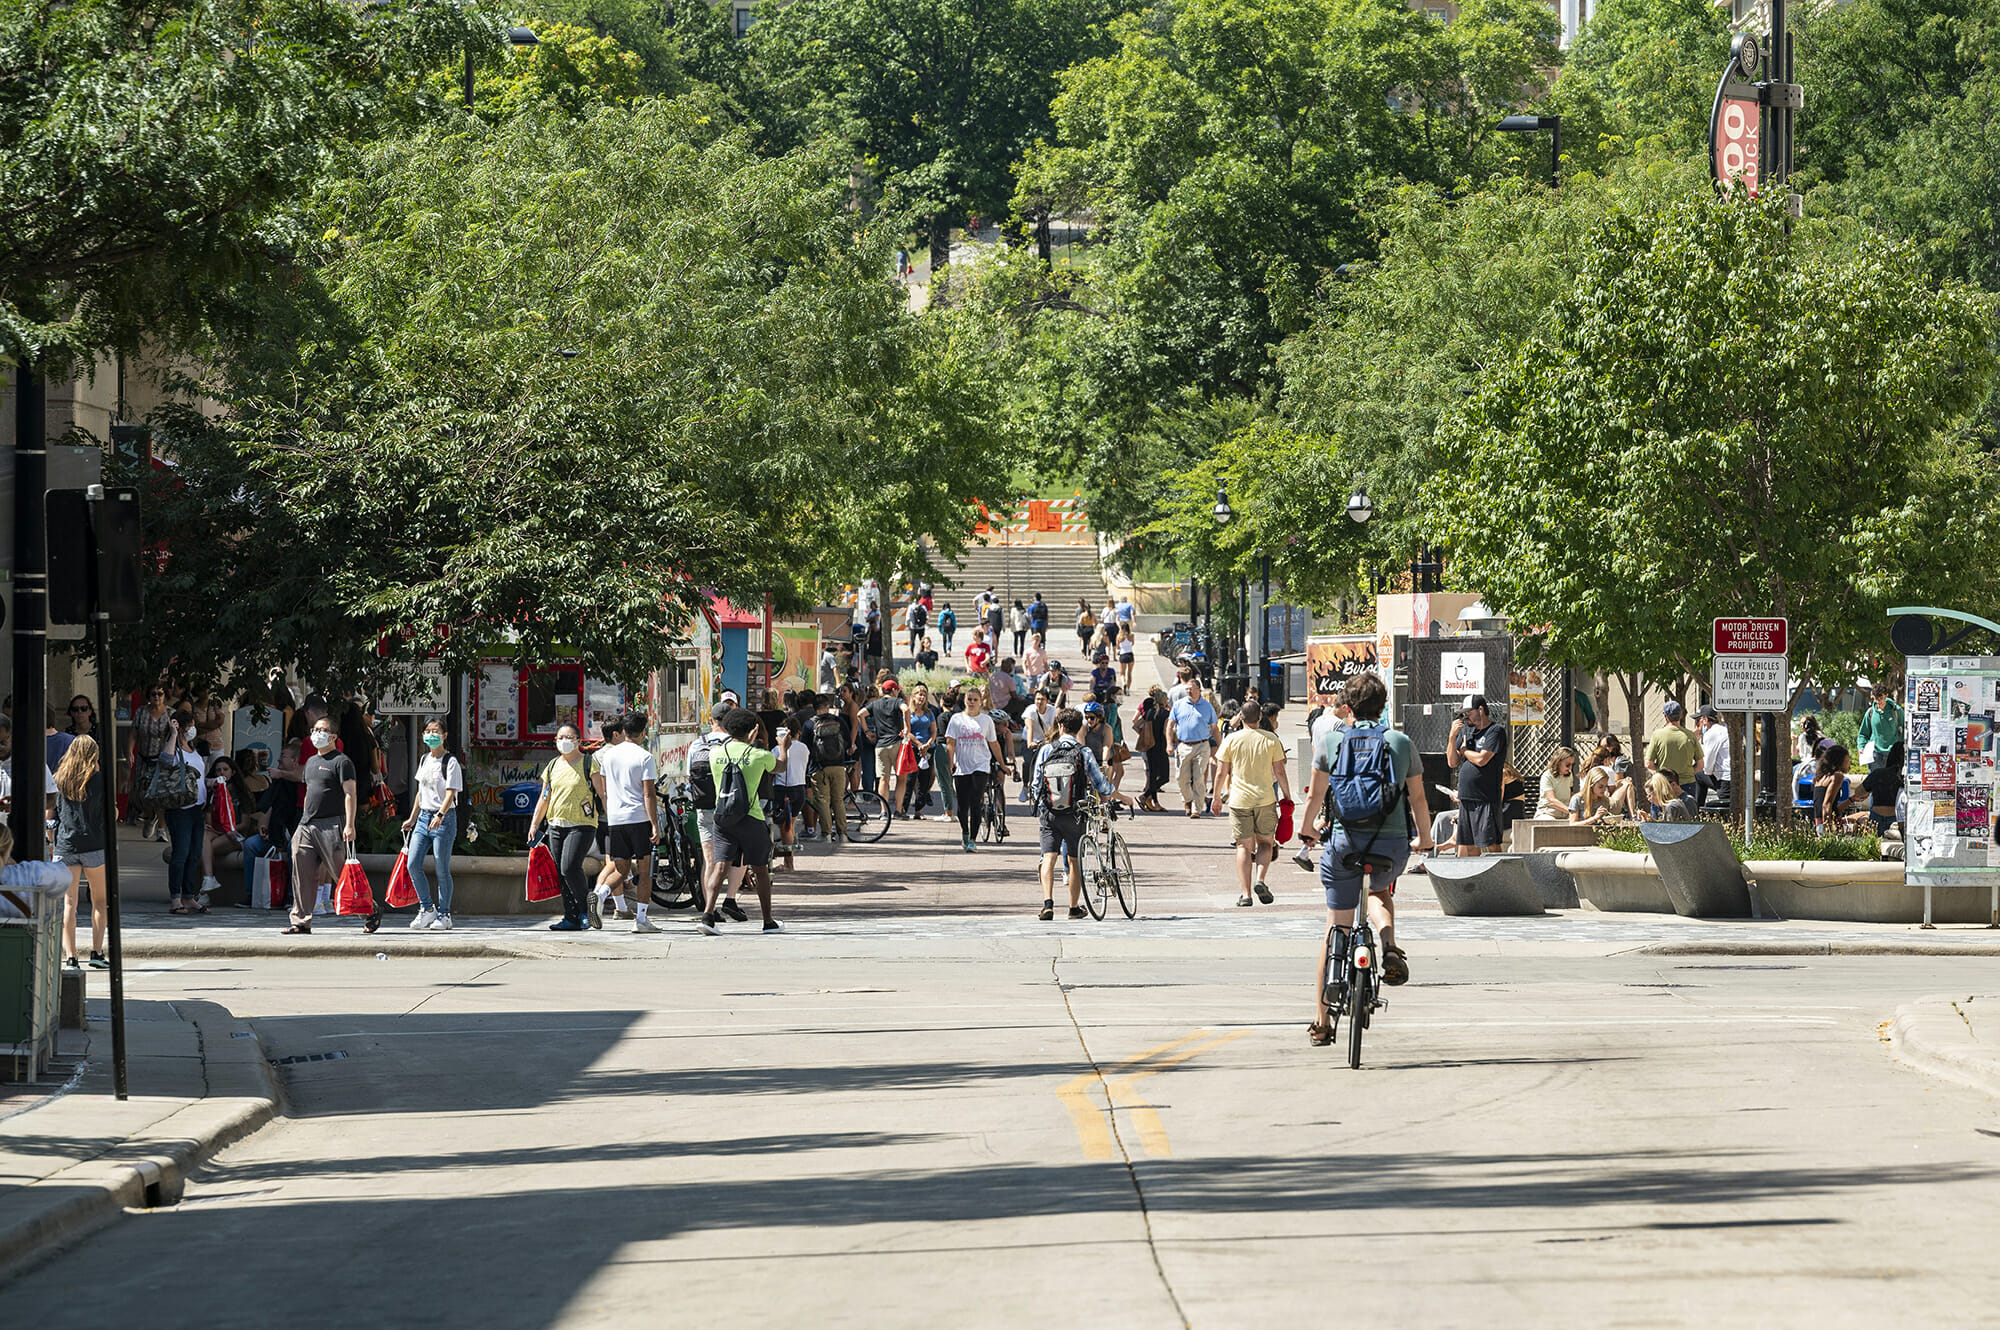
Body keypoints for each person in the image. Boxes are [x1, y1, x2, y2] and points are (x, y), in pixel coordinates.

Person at [1303, 671, 1432, 1045]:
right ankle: (1389, 945)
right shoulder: (1400, 741)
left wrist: (1308, 829)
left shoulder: (1331, 741)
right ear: (1384, 705)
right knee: (1379, 892)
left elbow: (1314, 796)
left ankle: (1322, 1022)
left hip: (1345, 844)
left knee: (1335, 928)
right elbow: (1419, 799)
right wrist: (1424, 838)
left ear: (1347, 707)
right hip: (1391, 845)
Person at [1030, 708, 1129, 920]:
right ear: (1077, 729)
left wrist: (1042, 807)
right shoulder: (1083, 752)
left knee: (1049, 857)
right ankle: (1073, 908)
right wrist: (1121, 797)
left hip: (1049, 812)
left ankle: (1048, 904)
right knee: (1074, 860)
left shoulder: (1046, 750)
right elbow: (1101, 785)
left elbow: (1036, 784)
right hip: (1075, 813)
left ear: (1060, 727)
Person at [696, 708, 784, 935]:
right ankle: (768, 921)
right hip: (751, 818)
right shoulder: (758, 755)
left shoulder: (716, 753)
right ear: (753, 730)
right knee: (760, 869)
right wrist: (783, 747)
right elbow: (780, 766)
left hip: (723, 818)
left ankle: (708, 915)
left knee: (720, 866)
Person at [1211, 700, 1292, 906]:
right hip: (1265, 798)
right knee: (1266, 843)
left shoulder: (1231, 739)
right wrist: (1287, 795)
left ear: (1242, 718)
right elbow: (1280, 771)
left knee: (1243, 846)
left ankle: (1246, 895)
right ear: (1260, 717)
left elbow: (1221, 771)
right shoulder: (1271, 739)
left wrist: (1216, 796)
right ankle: (1260, 879)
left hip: (1239, 800)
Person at [591, 711, 662, 934]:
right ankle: (641, 919)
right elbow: (648, 794)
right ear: (643, 732)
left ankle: (600, 894)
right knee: (644, 871)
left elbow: (604, 791)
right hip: (639, 818)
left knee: (621, 869)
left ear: (623, 730)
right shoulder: (645, 757)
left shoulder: (608, 756)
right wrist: (655, 824)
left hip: (615, 820)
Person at [284, 715, 355, 935]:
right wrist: (304, 817)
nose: (316, 734)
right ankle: (301, 921)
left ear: (333, 736)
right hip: (306, 824)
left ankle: (369, 911)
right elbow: (308, 793)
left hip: (332, 824)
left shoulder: (341, 761)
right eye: (314, 729)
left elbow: (350, 793)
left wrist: (349, 825)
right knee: (302, 872)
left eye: (322, 730)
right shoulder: (312, 762)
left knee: (342, 874)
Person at [528, 723, 599, 930]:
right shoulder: (552, 766)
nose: (564, 741)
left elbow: (602, 793)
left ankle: (586, 910)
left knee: (570, 867)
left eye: (569, 737)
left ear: (578, 741)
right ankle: (571, 917)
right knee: (560, 871)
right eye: (560, 737)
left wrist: (611, 817)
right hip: (556, 825)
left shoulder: (588, 763)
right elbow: (544, 797)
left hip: (582, 824)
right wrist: (535, 823)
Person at [401, 718, 464, 931]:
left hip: (444, 820)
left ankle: (445, 914)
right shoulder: (424, 759)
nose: (430, 735)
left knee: (441, 868)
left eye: (435, 731)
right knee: (413, 863)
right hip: (423, 819)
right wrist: (412, 817)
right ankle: (427, 909)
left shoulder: (450, 762)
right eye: (427, 731)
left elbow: (450, 792)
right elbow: (421, 791)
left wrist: (440, 814)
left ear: (445, 735)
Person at [52, 736, 109, 970]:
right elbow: (110, 814)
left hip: (66, 846)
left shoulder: (60, 779)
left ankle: (71, 958)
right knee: (100, 902)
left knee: (69, 904)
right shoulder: (99, 780)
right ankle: (96, 952)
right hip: (94, 844)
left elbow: (54, 812)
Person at [157, 713, 211, 915]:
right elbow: (165, 761)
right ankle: (175, 898)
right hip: (180, 810)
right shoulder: (175, 748)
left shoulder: (195, 750)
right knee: (180, 853)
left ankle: (189, 896)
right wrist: (172, 734)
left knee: (195, 853)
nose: (192, 730)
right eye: (189, 726)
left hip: (197, 808)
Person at [946, 686, 1007, 851]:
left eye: (975, 700)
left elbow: (993, 744)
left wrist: (1002, 764)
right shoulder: (956, 719)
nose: (972, 702)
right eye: (969, 699)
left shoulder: (986, 720)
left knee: (976, 801)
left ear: (980, 702)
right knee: (963, 806)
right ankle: (965, 833)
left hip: (981, 764)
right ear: (964, 700)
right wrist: (950, 762)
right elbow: (950, 743)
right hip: (961, 766)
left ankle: (972, 839)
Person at [1445, 695, 1507, 855]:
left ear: (1480, 710)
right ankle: (1472, 878)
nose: (1465, 716)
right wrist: (1452, 738)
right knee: (1469, 844)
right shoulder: (1466, 732)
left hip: (1485, 798)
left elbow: (1482, 759)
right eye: (1463, 713)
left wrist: (1465, 751)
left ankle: (1500, 877)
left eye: (1468, 712)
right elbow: (1452, 762)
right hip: (1467, 797)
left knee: (1490, 842)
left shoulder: (1495, 731)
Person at [198, 752, 251, 899]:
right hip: (217, 831)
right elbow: (209, 820)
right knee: (203, 837)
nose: (222, 773)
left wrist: (228, 829)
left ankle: (205, 892)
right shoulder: (213, 792)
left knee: (205, 849)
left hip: (235, 834)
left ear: (233, 772)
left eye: (225, 769)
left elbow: (245, 823)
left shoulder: (240, 793)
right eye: (218, 770)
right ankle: (208, 880)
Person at [129, 683, 176, 840]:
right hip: (144, 757)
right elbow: (134, 733)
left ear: (165, 696)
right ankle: (150, 818)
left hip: (162, 760)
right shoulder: (141, 712)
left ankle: (162, 829)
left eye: (160, 694)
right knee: (143, 795)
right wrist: (130, 751)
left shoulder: (170, 713)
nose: (156, 696)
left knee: (159, 795)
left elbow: (176, 736)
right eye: (153, 694)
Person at [807, 691, 852, 847]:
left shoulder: (809, 724)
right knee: (838, 800)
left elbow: (806, 747)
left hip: (818, 768)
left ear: (814, 708)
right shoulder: (838, 721)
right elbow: (847, 741)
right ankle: (843, 834)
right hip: (839, 766)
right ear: (827, 707)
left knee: (822, 801)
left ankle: (826, 834)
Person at [1169, 678, 1218, 817]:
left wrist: (1219, 748)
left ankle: (1196, 808)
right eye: (1187, 689)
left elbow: (1215, 728)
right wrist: (1168, 743)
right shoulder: (1179, 705)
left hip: (1202, 745)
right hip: (1183, 745)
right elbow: (1170, 725)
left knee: (1198, 778)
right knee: (1181, 778)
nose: (1189, 691)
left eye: (1191, 689)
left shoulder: (1207, 707)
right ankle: (1188, 800)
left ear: (1199, 690)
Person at [1644, 701, 1704, 806]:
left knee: (1660, 819)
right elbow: (1700, 764)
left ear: (1665, 717)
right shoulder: (1690, 736)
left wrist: (1660, 770)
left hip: (1663, 784)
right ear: (1681, 715)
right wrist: (1689, 771)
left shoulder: (1657, 735)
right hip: (1687, 783)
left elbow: (1648, 763)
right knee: (1688, 817)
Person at [900, 683, 942, 818]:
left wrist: (928, 744)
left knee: (925, 780)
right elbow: (907, 731)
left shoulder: (929, 713)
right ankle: (903, 809)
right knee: (910, 780)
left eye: (924, 695)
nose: (921, 697)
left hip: (928, 749)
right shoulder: (909, 713)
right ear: (913, 696)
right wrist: (918, 744)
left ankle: (919, 810)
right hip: (913, 748)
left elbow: (934, 731)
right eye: (919, 694)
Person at [866, 682, 906, 819]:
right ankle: (899, 811)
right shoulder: (897, 701)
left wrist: (867, 731)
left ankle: (884, 811)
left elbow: (860, 714)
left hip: (880, 745)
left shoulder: (875, 704)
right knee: (901, 778)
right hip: (896, 744)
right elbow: (906, 709)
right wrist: (907, 728)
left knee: (883, 779)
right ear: (893, 690)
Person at [1135, 685, 1171, 812]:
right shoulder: (1166, 714)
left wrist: (1144, 734)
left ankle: (1155, 803)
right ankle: (1145, 796)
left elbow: (1136, 725)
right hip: (1161, 747)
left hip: (1150, 747)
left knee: (1153, 775)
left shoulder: (1150, 713)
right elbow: (1166, 731)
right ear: (1164, 700)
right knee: (1164, 777)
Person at [1862, 740, 1906, 835]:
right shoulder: (1906, 777)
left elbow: (1858, 792)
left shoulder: (1878, 773)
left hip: (1876, 817)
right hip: (1898, 819)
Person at [1814, 743, 1860, 831]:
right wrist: (1828, 831)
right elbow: (1826, 804)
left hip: (1819, 822)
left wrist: (1852, 799)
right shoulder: (1837, 776)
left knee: (1861, 815)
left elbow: (1834, 809)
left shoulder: (1819, 778)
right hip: (1829, 824)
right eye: (1847, 760)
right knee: (1864, 817)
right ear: (1839, 761)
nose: (1849, 764)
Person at [1857, 682, 1905, 767]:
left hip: (1893, 754)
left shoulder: (1896, 711)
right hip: (1875, 754)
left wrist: (1902, 747)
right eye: (1876, 698)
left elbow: (1905, 729)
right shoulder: (1870, 712)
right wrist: (1861, 746)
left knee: (1891, 780)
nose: (1879, 701)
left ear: (1886, 695)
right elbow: (1863, 733)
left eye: (1881, 698)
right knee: (1875, 780)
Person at [1695, 706, 1732, 809]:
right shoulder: (1724, 730)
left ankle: (1697, 811)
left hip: (1724, 779)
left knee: (1699, 775)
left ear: (1705, 719)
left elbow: (1707, 767)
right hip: (1731, 776)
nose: (1698, 725)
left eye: (1699, 721)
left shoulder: (1712, 733)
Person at [1538, 747, 1579, 819]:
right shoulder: (1547, 776)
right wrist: (1570, 811)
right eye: (1567, 765)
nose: (1570, 768)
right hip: (1548, 812)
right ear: (1558, 762)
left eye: (1572, 765)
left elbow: (1570, 794)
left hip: (1565, 812)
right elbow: (1552, 800)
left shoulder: (1569, 775)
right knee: (1551, 823)